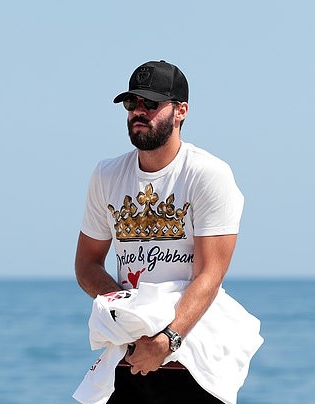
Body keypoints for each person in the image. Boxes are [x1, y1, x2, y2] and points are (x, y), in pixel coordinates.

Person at [75, 60, 257, 403]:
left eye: (151, 104)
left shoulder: (207, 174)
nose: (138, 112)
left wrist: (167, 339)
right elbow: (86, 265)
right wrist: (125, 311)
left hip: (188, 359)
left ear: (180, 111)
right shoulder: (106, 175)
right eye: (132, 104)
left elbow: (210, 274)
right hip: (129, 358)